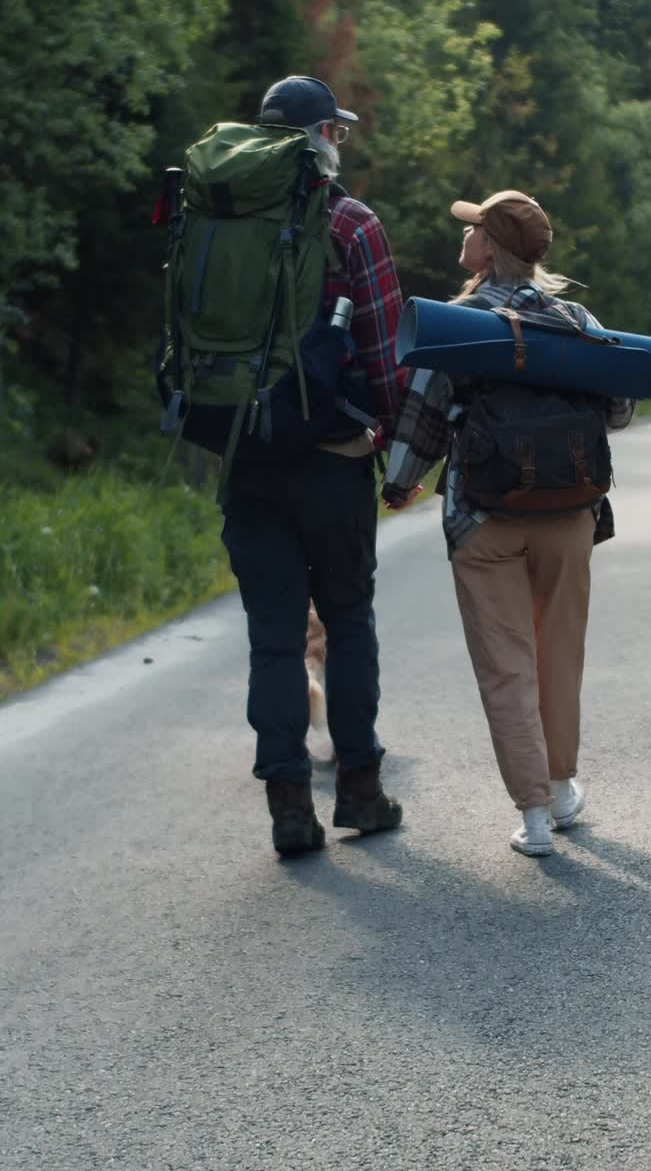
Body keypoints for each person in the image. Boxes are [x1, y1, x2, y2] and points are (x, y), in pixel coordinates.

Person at [382, 190, 634, 856]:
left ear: (490, 247)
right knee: (558, 652)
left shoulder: (457, 322)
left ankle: (535, 818)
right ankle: (559, 787)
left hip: (484, 516)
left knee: (506, 664)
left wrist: (401, 483)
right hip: (570, 513)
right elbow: (618, 410)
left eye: (473, 230)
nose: (463, 238)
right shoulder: (577, 317)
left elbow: (424, 411)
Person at [221, 76, 406, 855]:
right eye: (338, 130)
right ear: (319, 137)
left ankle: (289, 809)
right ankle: (359, 791)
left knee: (272, 639)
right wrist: (396, 447)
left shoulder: (220, 221)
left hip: (248, 460)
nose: (342, 142)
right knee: (349, 618)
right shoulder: (352, 222)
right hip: (333, 460)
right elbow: (386, 353)